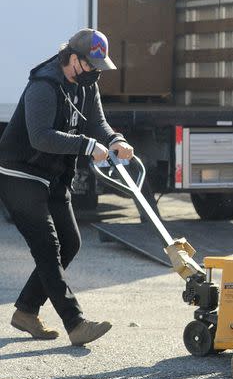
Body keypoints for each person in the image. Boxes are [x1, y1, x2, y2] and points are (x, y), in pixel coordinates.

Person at [0, 29, 134, 346]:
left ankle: (26, 311)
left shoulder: (87, 84)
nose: (96, 72)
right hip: (19, 173)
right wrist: (88, 147)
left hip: (54, 175)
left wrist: (115, 139)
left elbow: (96, 122)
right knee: (48, 248)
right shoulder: (43, 87)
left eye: (100, 67)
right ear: (73, 59)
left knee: (70, 243)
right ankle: (75, 324)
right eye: (92, 65)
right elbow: (41, 137)